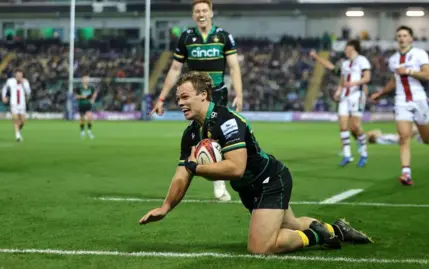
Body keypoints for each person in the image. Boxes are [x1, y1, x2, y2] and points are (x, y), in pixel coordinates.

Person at [139, 71, 373, 255]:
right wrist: (165, 207)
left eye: (185, 97)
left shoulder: (227, 121)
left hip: (270, 180)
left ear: (203, 95)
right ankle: (336, 229)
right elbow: (182, 174)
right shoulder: (191, 134)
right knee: (291, 224)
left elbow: (236, 167)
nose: (180, 102)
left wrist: (197, 168)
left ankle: (319, 236)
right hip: (249, 188)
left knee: (261, 247)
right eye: (178, 98)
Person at [151, 0, 244, 201]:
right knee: (202, 135)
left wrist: (239, 93)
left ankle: (221, 178)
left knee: (219, 134)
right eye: (197, 11)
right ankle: (215, 179)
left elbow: (234, 67)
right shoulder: (186, 37)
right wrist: (161, 98)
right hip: (194, 95)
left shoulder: (223, 36)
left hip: (217, 92)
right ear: (193, 16)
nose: (201, 14)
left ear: (211, 13)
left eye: (204, 10)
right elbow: (175, 69)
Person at [370, 26, 429, 186]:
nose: (402, 38)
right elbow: (394, 81)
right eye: (399, 36)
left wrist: (409, 71)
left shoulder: (420, 54)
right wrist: (380, 93)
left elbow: (428, 75)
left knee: (425, 139)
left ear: (411, 38)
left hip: (419, 99)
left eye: (405, 35)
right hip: (401, 101)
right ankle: (406, 173)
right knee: (404, 137)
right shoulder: (393, 60)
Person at [310, 40, 371, 167]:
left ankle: (364, 153)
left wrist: (353, 84)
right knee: (343, 126)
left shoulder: (362, 60)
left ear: (353, 48)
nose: (345, 51)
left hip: (357, 96)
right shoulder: (345, 64)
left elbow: (367, 78)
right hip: (345, 96)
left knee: (355, 127)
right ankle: (347, 155)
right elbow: (342, 81)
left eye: (347, 48)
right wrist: (338, 91)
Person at [1, 69, 31, 142]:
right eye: (17, 75)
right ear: (15, 75)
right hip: (14, 103)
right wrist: (3, 96)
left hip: (22, 104)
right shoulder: (10, 81)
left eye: (20, 75)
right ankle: (17, 136)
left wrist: (23, 83)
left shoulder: (25, 82)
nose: (19, 76)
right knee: (15, 120)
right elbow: (4, 88)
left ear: (22, 75)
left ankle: (18, 131)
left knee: (23, 122)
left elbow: (28, 92)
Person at [75, 74, 98, 140]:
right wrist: (83, 96)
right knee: (82, 119)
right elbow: (76, 96)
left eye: (87, 79)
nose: (86, 80)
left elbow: (95, 93)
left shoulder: (91, 87)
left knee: (89, 117)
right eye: (84, 79)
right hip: (81, 104)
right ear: (82, 80)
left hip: (88, 104)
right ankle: (82, 131)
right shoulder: (79, 87)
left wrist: (93, 99)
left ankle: (89, 131)